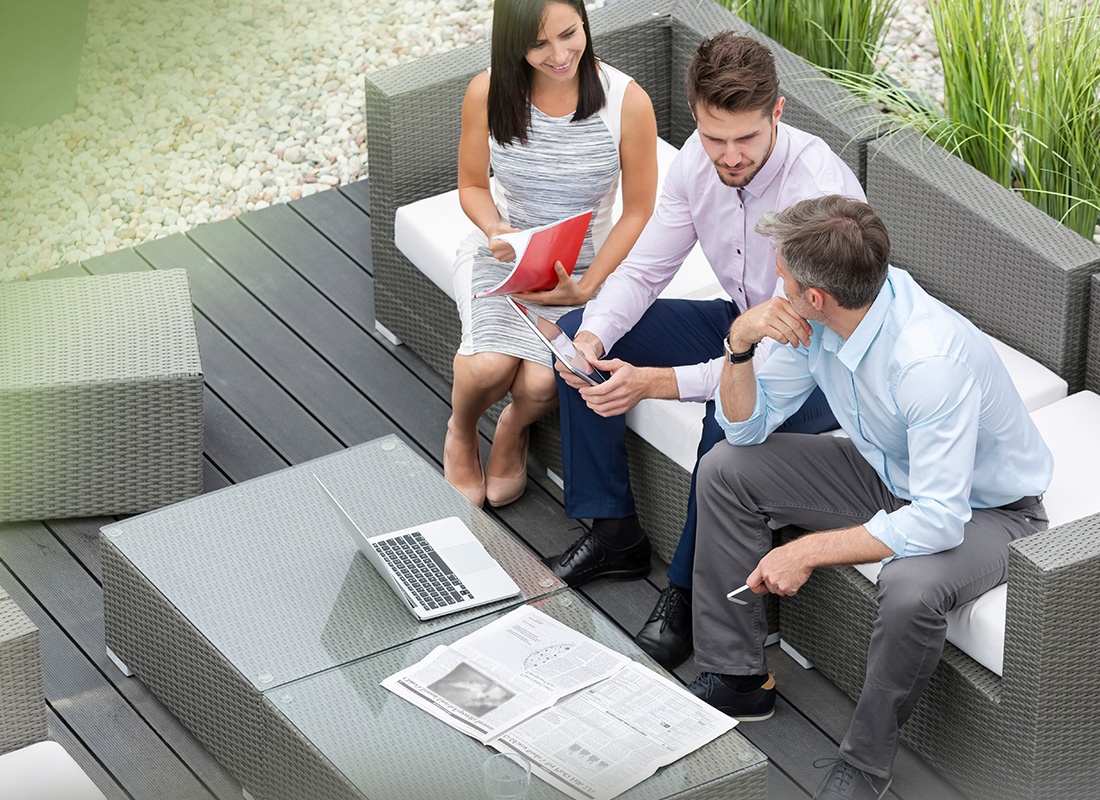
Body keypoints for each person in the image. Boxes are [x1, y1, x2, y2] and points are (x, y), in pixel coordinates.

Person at [687, 195, 1052, 800]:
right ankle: (735, 677)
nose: (774, 280)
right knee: (727, 469)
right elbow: (745, 430)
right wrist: (740, 343)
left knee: (909, 588)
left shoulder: (925, 361)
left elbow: (939, 519)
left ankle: (864, 765)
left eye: (781, 272)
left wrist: (804, 552)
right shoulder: (827, 319)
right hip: (890, 471)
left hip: (991, 510)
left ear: (815, 297)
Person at [546, 32, 864, 671]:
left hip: (819, 366)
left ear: (777, 113)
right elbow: (643, 273)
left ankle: (690, 594)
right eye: (715, 137)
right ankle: (613, 532)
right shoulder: (697, 161)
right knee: (581, 331)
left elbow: (774, 367)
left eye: (745, 139)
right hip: (741, 325)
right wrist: (591, 339)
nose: (729, 155)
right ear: (695, 113)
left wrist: (654, 381)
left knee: (730, 411)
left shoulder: (819, 195)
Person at [444, 0, 658, 509]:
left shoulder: (626, 102)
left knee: (544, 381)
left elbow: (639, 210)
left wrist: (585, 288)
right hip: (504, 260)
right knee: (488, 369)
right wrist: (497, 227)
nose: (561, 54)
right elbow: (473, 184)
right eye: (539, 44)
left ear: (585, 22)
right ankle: (461, 427)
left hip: (584, 272)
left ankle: (512, 430)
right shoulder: (489, 92)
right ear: (512, 42)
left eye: (569, 34)